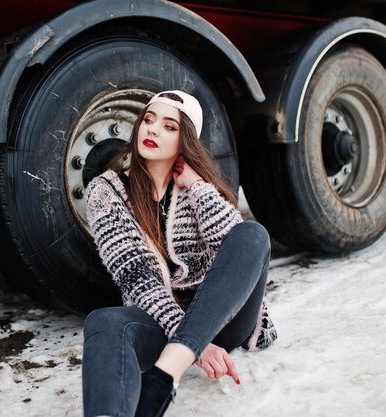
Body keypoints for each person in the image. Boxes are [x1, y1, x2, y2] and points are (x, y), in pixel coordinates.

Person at [83, 90, 276, 417]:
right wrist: (193, 344)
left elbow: (239, 252)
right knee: (103, 321)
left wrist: (198, 186)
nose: (153, 130)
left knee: (253, 234)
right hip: (160, 319)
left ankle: (165, 375)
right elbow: (136, 281)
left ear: (186, 139)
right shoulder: (105, 192)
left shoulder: (195, 187)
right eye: (148, 119)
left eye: (169, 126)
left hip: (224, 319)